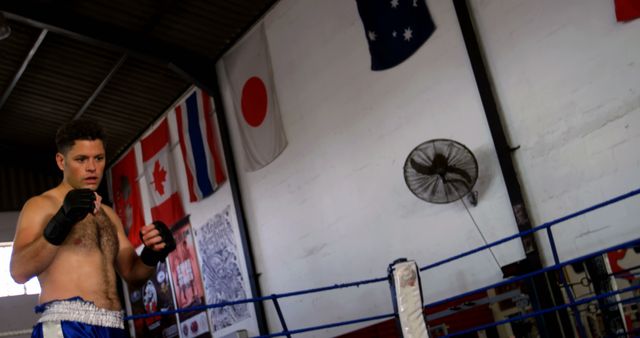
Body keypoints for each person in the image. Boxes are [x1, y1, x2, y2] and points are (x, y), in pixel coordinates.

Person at [9, 118, 176, 337]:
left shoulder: (108, 214)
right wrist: (62, 221)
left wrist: (153, 253)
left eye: (98, 158)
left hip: (113, 326)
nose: (91, 167)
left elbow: (133, 275)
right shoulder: (41, 206)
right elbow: (18, 272)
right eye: (81, 159)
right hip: (68, 325)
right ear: (61, 161)